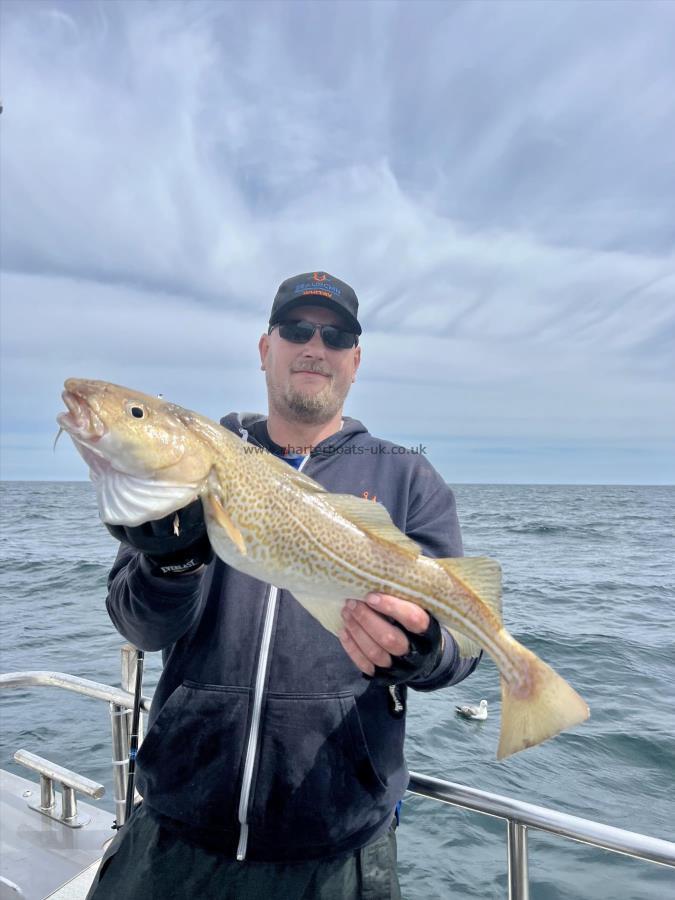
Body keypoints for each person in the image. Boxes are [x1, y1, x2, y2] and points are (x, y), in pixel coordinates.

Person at [86, 272, 481, 900]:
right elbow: (139, 626)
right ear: (265, 348)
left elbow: (463, 642)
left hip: (337, 848)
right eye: (296, 329)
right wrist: (170, 564)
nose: (314, 346)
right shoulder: (196, 458)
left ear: (355, 358)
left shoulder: (408, 476)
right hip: (176, 832)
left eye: (336, 334)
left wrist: (426, 649)